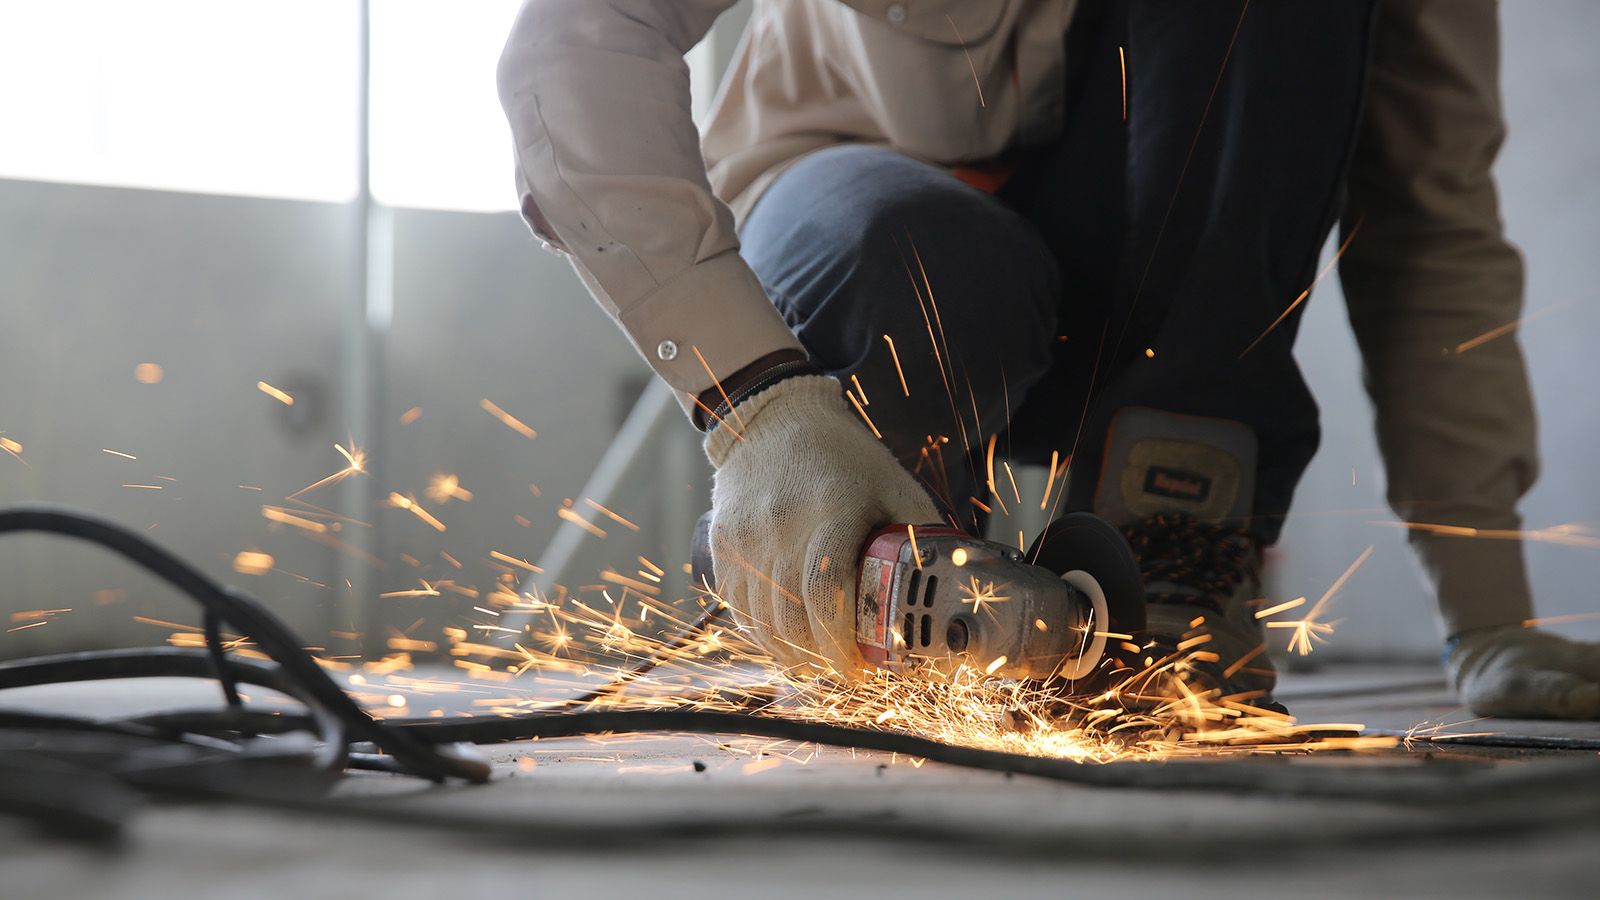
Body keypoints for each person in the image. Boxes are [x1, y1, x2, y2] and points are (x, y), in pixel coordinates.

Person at [498, 0, 1599, 718]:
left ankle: (1170, 553)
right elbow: (577, 42)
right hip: (871, 232)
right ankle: (874, 548)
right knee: (913, 261)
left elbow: (1429, 223)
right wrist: (758, 410)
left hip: (1156, 306)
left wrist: (1489, 612)